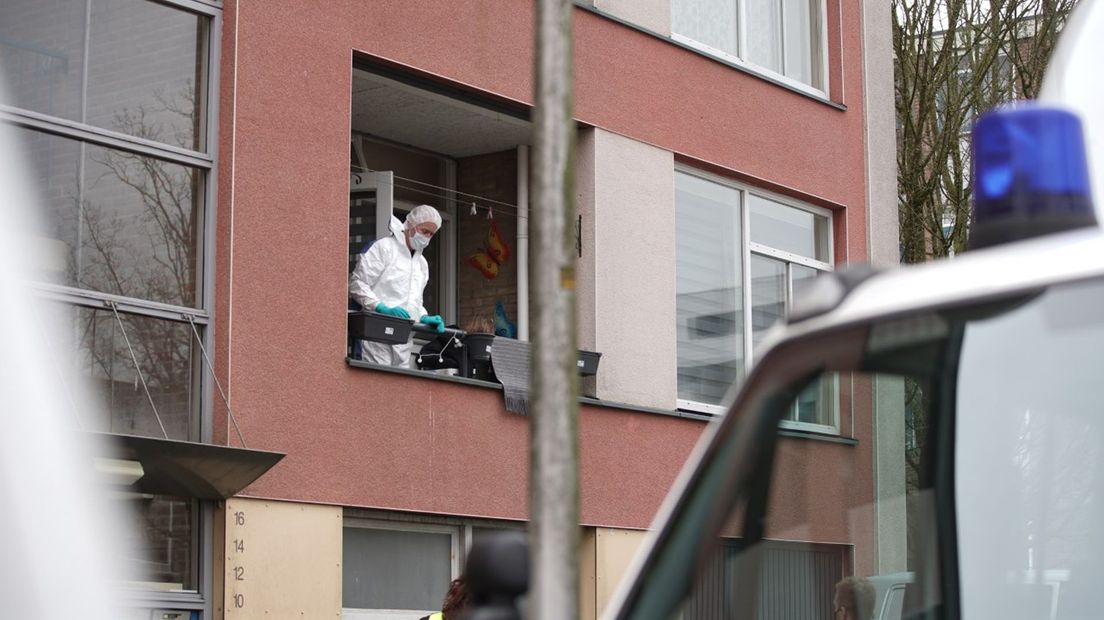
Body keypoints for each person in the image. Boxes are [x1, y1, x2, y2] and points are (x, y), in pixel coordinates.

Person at [349, 204, 446, 367]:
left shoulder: (421, 264)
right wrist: (381, 307)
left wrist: (423, 316)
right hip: (375, 338)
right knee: (376, 385)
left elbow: (414, 301)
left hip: (403, 341)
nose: (427, 237)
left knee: (399, 388)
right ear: (411, 225)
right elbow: (357, 284)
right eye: (424, 231)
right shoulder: (384, 248)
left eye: (431, 234)